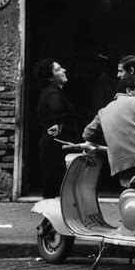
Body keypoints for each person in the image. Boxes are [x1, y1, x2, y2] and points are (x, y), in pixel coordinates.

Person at [35, 59, 80, 198]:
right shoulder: (53, 93)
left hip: (52, 146)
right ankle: (51, 219)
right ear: (50, 77)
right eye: (58, 69)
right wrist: (59, 122)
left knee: (53, 189)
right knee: (56, 189)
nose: (64, 70)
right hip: (55, 148)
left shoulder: (50, 92)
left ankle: (51, 219)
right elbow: (56, 108)